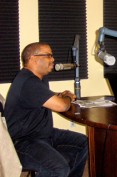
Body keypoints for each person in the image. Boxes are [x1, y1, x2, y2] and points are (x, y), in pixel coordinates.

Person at [3, 42, 88, 177]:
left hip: (43, 134)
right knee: (58, 168)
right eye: (48, 55)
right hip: (23, 142)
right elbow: (62, 106)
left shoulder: (37, 79)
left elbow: (42, 98)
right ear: (33, 58)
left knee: (85, 143)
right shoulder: (28, 82)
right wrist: (67, 98)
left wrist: (60, 95)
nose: (53, 59)